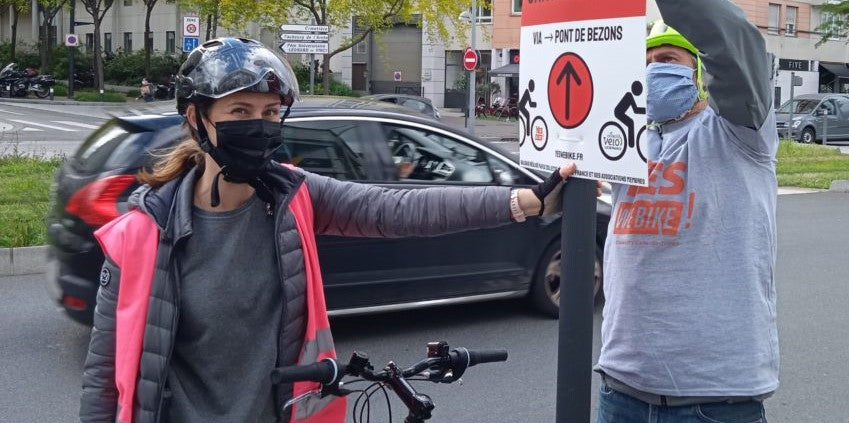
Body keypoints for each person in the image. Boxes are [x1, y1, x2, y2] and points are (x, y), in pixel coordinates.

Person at [79, 38, 574, 423]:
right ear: (196, 119)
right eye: (240, 112)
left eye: (270, 113)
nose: (260, 125)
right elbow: (105, 376)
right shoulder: (142, 234)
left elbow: (397, 209)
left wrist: (526, 201)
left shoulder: (295, 197)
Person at [595, 0, 779, 423]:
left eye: (671, 58)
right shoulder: (626, 144)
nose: (656, 69)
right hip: (621, 390)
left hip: (716, 399)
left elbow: (734, 41)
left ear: (699, 72)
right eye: (648, 61)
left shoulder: (740, 133)